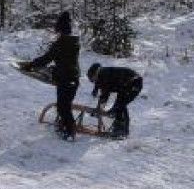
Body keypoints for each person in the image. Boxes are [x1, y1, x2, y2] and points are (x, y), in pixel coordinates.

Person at [18, 12, 81, 140]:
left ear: (60, 30)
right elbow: (64, 60)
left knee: (64, 107)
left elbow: (47, 58)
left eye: (57, 30)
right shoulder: (74, 42)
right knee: (64, 105)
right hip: (73, 77)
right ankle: (64, 126)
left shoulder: (61, 43)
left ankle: (70, 132)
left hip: (66, 78)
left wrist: (31, 65)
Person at [85, 63, 144, 139]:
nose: (93, 81)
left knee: (120, 105)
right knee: (118, 106)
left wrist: (98, 109)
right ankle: (119, 127)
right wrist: (98, 108)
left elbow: (104, 95)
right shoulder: (102, 74)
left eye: (92, 79)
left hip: (134, 83)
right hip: (125, 85)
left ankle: (122, 130)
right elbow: (100, 88)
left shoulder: (104, 75)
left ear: (95, 74)